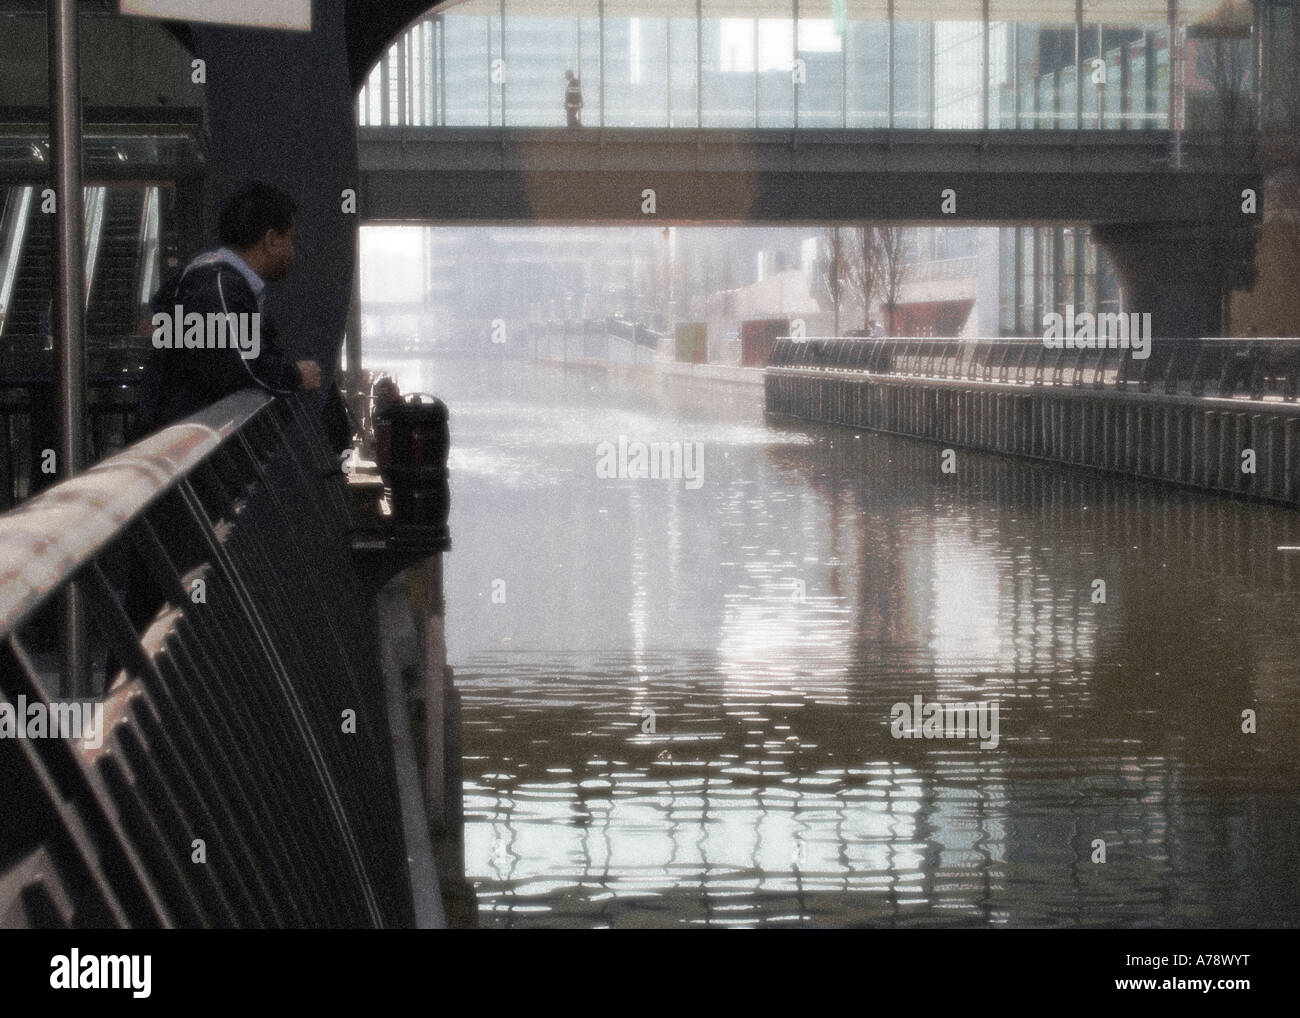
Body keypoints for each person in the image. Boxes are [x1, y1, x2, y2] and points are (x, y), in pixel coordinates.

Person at [133, 180, 322, 437]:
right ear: (270, 240)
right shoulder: (218, 287)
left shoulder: (213, 280)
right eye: (291, 239)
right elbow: (240, 365)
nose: (293, 250)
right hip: (186, 444)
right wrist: (296, 376)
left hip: (182, 437)